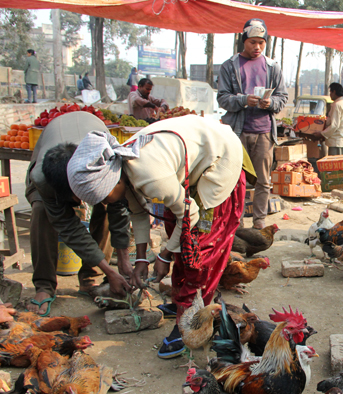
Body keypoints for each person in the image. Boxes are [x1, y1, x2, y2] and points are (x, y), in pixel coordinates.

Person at [64, 115, 255, 359]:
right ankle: (181, 303)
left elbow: (191, 217)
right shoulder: (122, 167)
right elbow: (137, 211)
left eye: (104, 198)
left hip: (220, 162)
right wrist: (142, 259)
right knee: (175, 234)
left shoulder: (150, 176)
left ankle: (191, 323)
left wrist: (164, 255)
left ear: (113, 185)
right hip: (189, 167)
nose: (105, 203)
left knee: (199, 251)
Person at [26, 112, 134, 315]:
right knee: (41, 211)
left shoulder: (100, 160)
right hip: (52, 142)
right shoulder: (42, 178)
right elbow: (69, 228)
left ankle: (89, 278)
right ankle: (43, 285)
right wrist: (110, 270)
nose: (80, 202)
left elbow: (118, 208)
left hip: (89, 136)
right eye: (76, 197)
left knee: (106, 202)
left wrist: (123, 261)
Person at [217, 18, 288, 230]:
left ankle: (259, 223)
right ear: (243, 41)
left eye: (261, 42)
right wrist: (242, 100)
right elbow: (222, 98)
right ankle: (236, 223)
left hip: (264, 132)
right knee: (236, 181)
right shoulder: (229, 66)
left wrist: (271, 103)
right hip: (237, 133)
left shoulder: (273, 67)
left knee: (263, 181)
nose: (257, 47)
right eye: (252, 42)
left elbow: (283, 98)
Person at [316, 82, 343, 156]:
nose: (330, 94)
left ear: (334, 92)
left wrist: (322, 134)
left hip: (336, 141)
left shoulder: (337, 105)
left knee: (335, 165)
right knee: (340, 164)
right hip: (340, 140)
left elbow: (334, 125)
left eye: (330, 92)